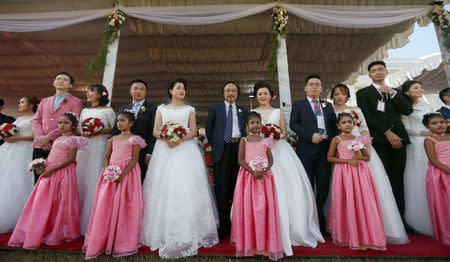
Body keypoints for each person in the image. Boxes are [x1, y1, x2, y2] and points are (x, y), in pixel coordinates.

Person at [142, 78, 218, 259]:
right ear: (171, 91)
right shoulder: (161, 109)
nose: (181, 90)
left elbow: (193, 131)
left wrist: (179, 138)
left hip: (185, 149)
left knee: (186, 188)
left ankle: (188, 231)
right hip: (164, 149)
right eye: (178, 88)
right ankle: (161, 232)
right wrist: (167, 138)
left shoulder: (189, 110)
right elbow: (155, 130)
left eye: (183, 88)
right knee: (164, 187)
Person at [330, 84, 408, 244]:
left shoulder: (356, 110)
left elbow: (365, 129)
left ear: (347, 95)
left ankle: (373, 226)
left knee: (369, 188)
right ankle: (346, 227)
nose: (339, 96)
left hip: (359, 148)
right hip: (341, 154)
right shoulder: (328, 111)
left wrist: (367, 150)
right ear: (332, 96)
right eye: (336, 94)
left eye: (343, 93)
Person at [252, 81, 323, 255]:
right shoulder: (252, 113)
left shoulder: (278, 112)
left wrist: (275, 135)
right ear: (256, 96)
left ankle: (290, 227)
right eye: (260, 94)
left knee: (287, 188)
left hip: (279, 151)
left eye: (265, 93)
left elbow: (284, 132)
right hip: (259, 151)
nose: (263, 96)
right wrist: (261, 136)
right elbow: (250, 132)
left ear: (271, 95)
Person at [8, 112, 87, 249]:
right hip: (49, 172)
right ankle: (41, 228)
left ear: (73, 125)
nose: (62, 125)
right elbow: (52, 156)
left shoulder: (73, 139)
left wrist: (53, 169)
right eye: (60, 123)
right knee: (43, 200)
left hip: (62, 173)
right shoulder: (57, 139)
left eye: (66, 123)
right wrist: (43, 166)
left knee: (59, 200)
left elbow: (70, 159)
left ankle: (59, 231)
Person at [83, 110, 146, 259]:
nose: (119, 123)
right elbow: (106, 156)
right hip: (110, 174)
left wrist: (123, 174)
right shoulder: (113, 139)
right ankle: (102, 239)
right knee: (106, 203)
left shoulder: (135, 139)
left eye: (122, 121)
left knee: (124, 204)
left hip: (127, 175)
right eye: (118, 121)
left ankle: (121, 240)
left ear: (130, 123)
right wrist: (108, 169)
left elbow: (134, 159)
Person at [356, 61, 413, 218]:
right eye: (374, 71)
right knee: (384, 178)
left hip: (400, 139)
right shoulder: (363, 93)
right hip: (380, 140)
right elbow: (368, 116)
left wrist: (393, 93)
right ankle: (385, 218)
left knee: (398, 178)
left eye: (380, 69)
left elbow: (407, 110)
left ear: (386, 72)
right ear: (369, 75)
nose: (377, 72)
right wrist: (387, 131)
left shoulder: (396, 92)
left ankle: (401, 219)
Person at [327, 113, 386, 250]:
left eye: (350, 122)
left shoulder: (359, 139)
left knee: (362, 200)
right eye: (344, 122)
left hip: (360, 172)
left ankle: (366, 236)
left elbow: (367, 157)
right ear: (338, 125)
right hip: (343, 172)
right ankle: (350, 235)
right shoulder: (336, 139)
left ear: (354, 124)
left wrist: (360, 155)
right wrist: (347, 160)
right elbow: (330, 158)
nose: (347, 124)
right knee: (348, 200)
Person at [231, 111, 283, 261]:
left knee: (263, 209)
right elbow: (240, 160)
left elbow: (271, 160)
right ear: (247, 126)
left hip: (264, 178)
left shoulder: (267, 140)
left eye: (257, 123)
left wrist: (264, 170)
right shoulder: (244, 140)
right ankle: (250, 243)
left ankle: (264, 243)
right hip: (248, 178)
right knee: (249, 208)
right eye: (252, 123)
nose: (255, 126)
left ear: (261, 125)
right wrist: (253, 171)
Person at [289, 74, 338, 234]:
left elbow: (334, 127)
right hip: (306, 150)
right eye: (311, 84)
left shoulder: (327, 105)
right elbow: (293, 124)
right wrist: (310, 135)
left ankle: (321, 221)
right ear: (305, 88)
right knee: (307, 185)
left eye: (317, 84)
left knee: (323, 186)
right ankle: (308, 222)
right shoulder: (299, 104)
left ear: (322, 88)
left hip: (325, 151)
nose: (314, 87)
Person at [206, 81, 248, 239]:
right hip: (222, 150)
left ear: (237, 94)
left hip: (239, 150)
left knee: (237, 187)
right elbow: (209, 130)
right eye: (228, 90)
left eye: (234, 91)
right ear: (223, 93)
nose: (231, 93)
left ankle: (236, 224)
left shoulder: (243, 110)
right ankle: (222, 225)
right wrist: (217, 145)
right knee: (221, 189)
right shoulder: (215, 108)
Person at [76, 84, 116, 235]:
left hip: (99, 146)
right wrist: (84, 131)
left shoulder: (108, 110)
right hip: (85, 147)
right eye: (88, 91)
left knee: (95, 177)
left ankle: (94, 220)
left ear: (100, 95)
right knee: (82, 176)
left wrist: (97, 130)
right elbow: (78, 127)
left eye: (92, 91)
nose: (88, 94)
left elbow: (114, 128)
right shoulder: (85, 110)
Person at [31, 72, 83, 183]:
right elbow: (36, 120)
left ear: (70, 86)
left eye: (65, 79)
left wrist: (48, 137)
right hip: (39, 144)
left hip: (60, 145)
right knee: (38, 177)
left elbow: (72, 123)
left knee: (55, 178)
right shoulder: (44, 101)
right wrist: (42, 139)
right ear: (54, 83)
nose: (61, 80)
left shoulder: (76, 101)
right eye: (58, 79)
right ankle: (39, 201)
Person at [0, 97, 39, 233]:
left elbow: (37, 136)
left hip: (25, 150)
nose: (19, 104)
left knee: (20, 180)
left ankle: (22, 218)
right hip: (10, 150)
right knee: (7, 179)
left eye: (22, 102)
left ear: (31, 105)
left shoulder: (35, 118)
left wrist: (18, 138)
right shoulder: (19, 118)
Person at [400, 80, 434, 236]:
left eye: (421, 87)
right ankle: (417, 218)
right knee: (417, 176)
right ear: (407, 92)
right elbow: (406, 128)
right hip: (414, 144)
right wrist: (424, 133)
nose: (420, 89)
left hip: (431, 142)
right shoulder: (405, 108)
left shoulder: (428, 106)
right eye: (415, 87)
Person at [112, 79, 156, 181]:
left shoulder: (152, 109)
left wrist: (149, 153)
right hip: (123, 150)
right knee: (121, 177)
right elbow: (116, 129)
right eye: (135, 89)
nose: (138, 91)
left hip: (142, 151)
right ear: (130, 91)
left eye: (141, 89)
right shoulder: (123, 108)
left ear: (146, 92)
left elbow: (153, 133)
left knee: (139, 177)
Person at [423, 113, 450, 246]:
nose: (439, 125)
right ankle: (446, 231)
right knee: (445, 203)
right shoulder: (429, 140)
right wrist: (447, 170)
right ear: (428, 127)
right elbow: (433, 160)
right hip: (440, 173)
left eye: (441, 122)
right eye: (434, 123)